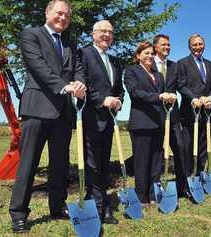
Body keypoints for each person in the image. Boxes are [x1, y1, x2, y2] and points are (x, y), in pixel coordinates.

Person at [9, 0, 86, 233]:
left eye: (66, 15)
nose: (62, 18)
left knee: (60, 164)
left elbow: (78, 68)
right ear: (48, 13)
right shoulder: (31, 35)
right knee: (28, 163)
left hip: (63, 112)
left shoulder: (71, 44)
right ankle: (19, 213)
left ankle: (57, 206)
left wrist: (80, 83)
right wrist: (65, 87)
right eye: (58, 13)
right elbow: (38, 67)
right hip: (37, 110)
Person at [79, 20, 124, 224]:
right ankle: (99, 207)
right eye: (102, 31)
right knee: (93, 164)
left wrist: (119, 100)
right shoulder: (84, 54)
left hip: (109, 120)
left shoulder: (115, 61)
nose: (106, 35)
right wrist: (101, 99)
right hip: (91, 118)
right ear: (93, 33)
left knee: (104, 164)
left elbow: (118, 88)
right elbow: (83, 82)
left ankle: (98, 200)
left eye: (110, 32)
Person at [124, 41, 176, 205]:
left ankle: (154, 194)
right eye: (146, 53)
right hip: (141, 123)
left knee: (156, 160)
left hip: (158, 123)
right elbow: (136, 94)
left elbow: (162, 95)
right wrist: (159, 97)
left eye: (152, 53)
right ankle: (141, 195)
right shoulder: (131, 71)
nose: (150, 56)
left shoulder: (158, 74)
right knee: (141, 161)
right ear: (138, 55)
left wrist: (169, 98)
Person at [153, 34, 193, 197]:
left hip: (173, 116)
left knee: (181, 149)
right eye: (164, 44)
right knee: (156, 153)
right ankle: (155, 188)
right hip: (154, 116)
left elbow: (182, 86)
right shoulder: (149, 64)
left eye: (169, 45)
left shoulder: (174, 66)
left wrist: (193, 98)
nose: (167, 47)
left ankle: (183, 187)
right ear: (155, 47)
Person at [177, 33, 211, 176]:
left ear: (204, 45)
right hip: (189, 113)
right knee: (188, 146)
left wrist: (210, 98)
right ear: (190, 46)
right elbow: (181, 85)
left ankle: (200, 174)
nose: (198, 47)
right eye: (194, 44)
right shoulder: (182, 63)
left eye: (200, 44)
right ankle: (189, 176)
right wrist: (193, 98)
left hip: (207, 112)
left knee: (203, 145)